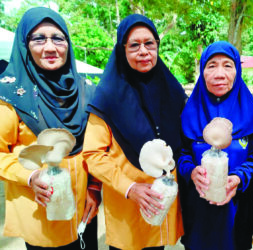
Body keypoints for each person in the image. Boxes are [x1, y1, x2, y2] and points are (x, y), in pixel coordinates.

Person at [82, 14, 186, 249]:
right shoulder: (107, 96)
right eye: (134, 45)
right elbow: (93, 154)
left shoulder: (172, 90)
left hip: (163, 202)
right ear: (122, 50)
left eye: (149, 43)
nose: (143, 51)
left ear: (157, 45)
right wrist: (129, 188)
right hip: (127, 206)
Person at [0, 7, 101, 249]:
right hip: (40, 215)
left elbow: (97, 147)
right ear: (25, 45)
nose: (50, 47)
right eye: (38, 39)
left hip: (84, 210)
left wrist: (95, 187)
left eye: (58, 38)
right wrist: (30, 176)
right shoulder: (11, 96)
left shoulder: (87, 91)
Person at [178, 41, 253, 250]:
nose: (219, 73)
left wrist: (238, 178)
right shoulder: (189, 113)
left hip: (237, 212)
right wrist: (191, 172)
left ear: (237, 70)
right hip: (198, 213)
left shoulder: (251, 114)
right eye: (211, 66)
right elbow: (181, 154)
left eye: (227, 65)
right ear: (202, 71)